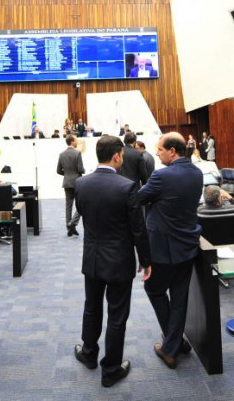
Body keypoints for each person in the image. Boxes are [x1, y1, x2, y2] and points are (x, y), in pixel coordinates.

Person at [73, 135, 151, 388]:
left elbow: (84, 216)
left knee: (91, 307)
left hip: (92, 260)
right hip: (119, 261)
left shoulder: (81, 184)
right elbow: (138, 229)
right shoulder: (128, 187)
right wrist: (146, 260)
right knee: (117, 316)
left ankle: (88, 352)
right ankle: (111, 369)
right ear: (117, 155)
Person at [137, 132, 202, 370]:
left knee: (153, 289)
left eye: (160, 150)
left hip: (163, 249)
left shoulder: (162, 176)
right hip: (187, 247)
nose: (157, 153)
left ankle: (171, 347)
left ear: (172, 151)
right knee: (179, 297)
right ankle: (175, 341)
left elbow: (139, 198)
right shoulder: (196, 173)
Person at [57, 134, 86, 237]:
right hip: (77, 182)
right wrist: (84, 171)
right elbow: (80, 169)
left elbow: (58, 170)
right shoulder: (77, 153)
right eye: (76, 139)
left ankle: (69, 228)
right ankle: (72, 223)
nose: (77, 141)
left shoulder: (61, 154)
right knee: (81, 205)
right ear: (72, 141)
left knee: (68, 206)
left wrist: (67, 175)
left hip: (67, 182)